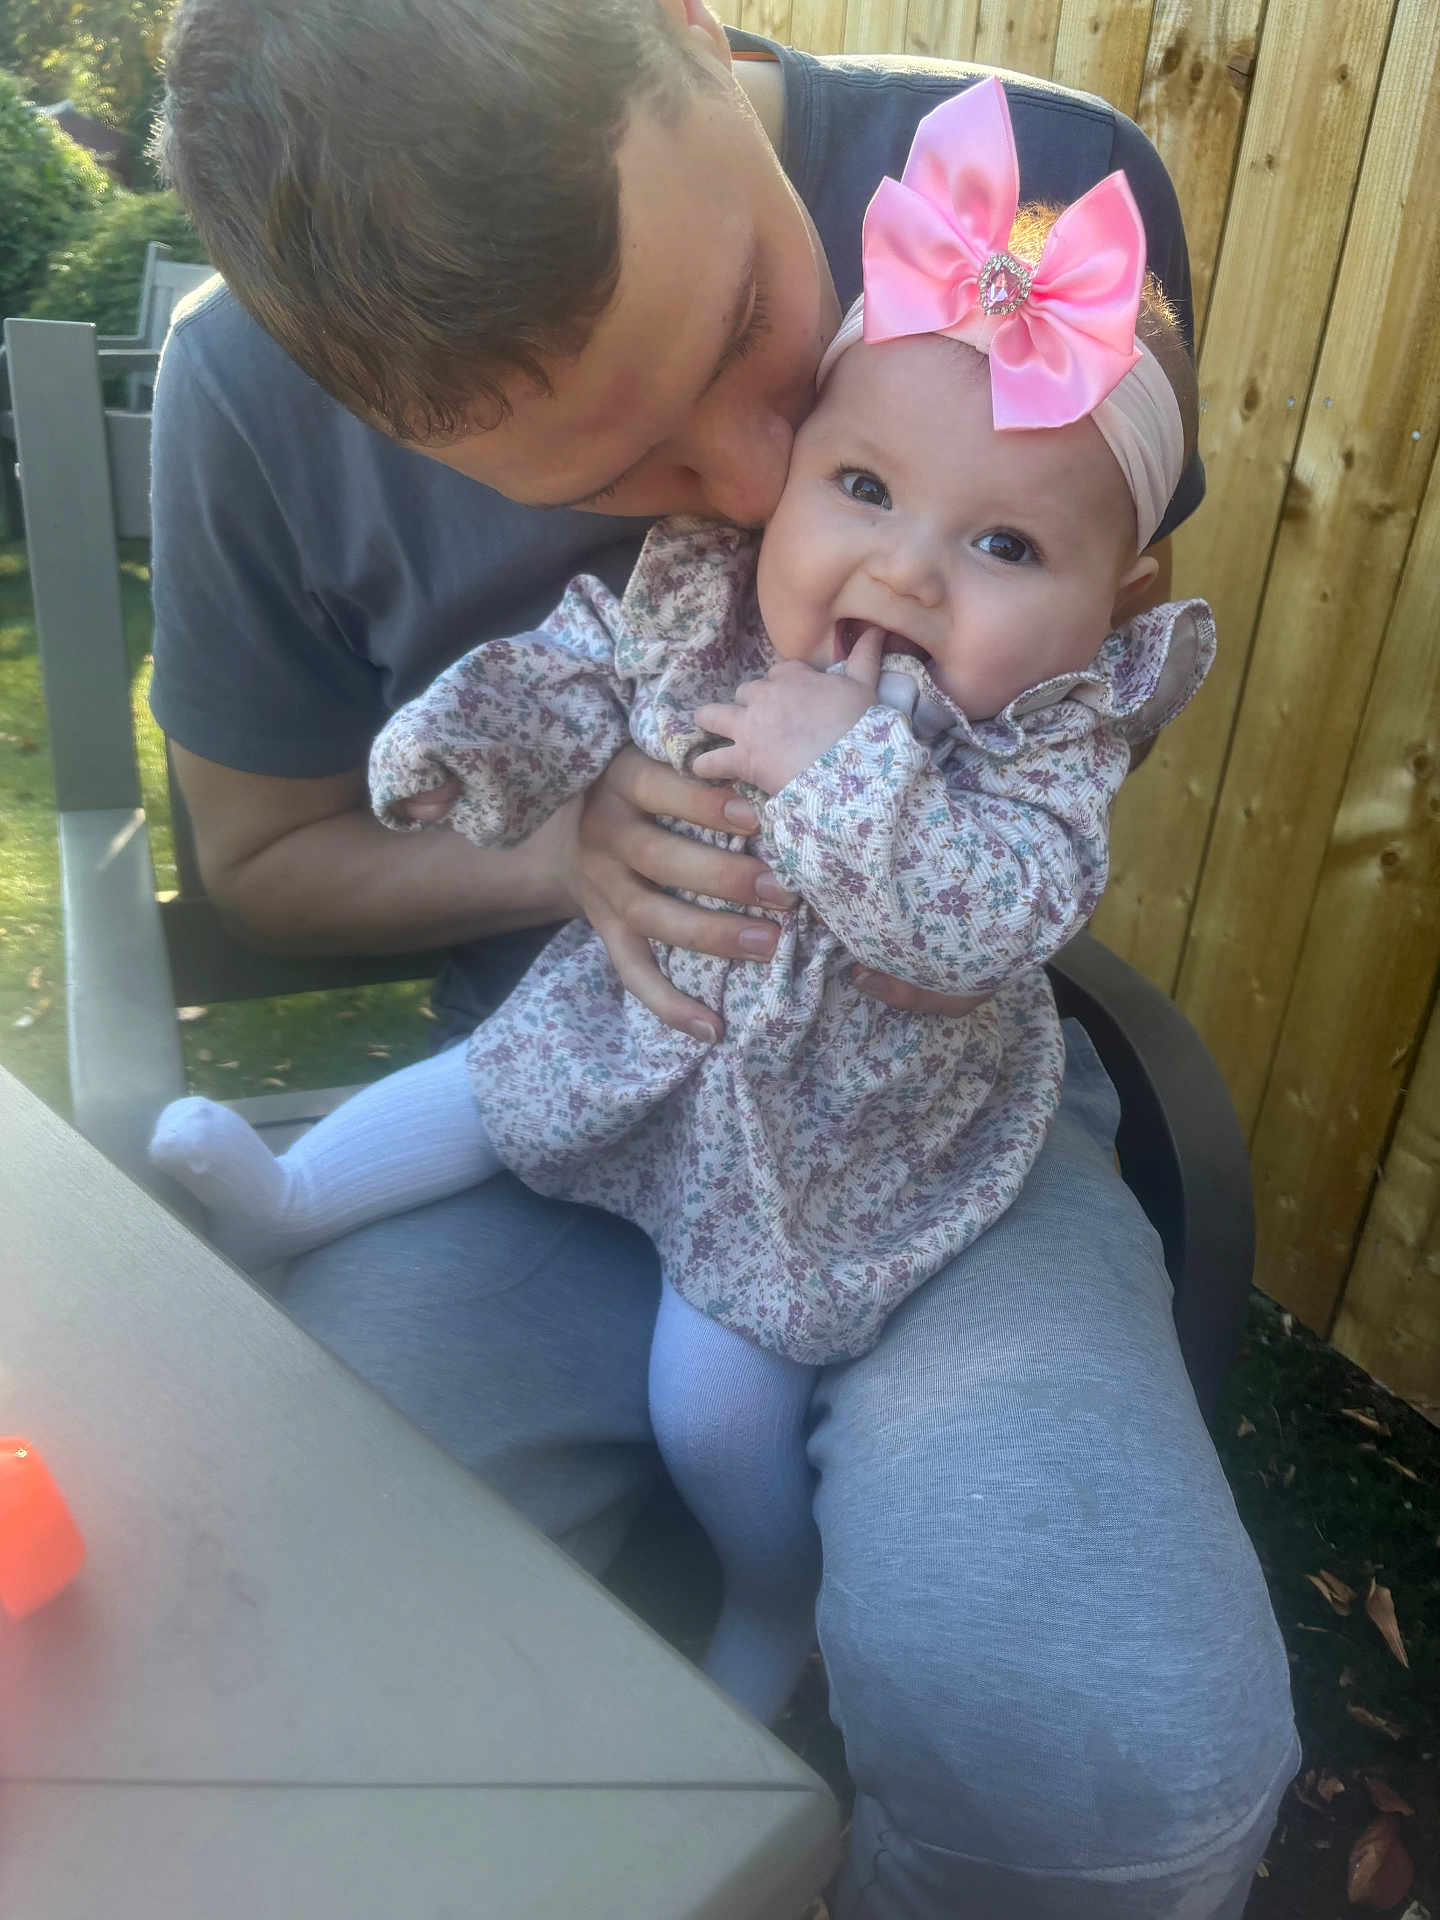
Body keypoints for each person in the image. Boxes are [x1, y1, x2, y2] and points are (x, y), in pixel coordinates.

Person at [149, 3, 1299, 1913]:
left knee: (1130, 1768)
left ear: (678, 24)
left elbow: (1071, 710)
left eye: (742, 326)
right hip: (564, 1101)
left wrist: (854, 797)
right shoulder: (241, 398)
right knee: (256, 1629)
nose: (767, 476)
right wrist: (556, 847)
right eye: (621, 469)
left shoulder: (1028, 198)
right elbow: (264, 858)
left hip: (924, 1126)